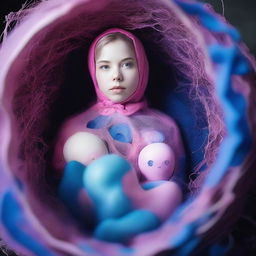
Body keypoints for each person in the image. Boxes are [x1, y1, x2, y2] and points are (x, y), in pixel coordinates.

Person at [54, 28, 185, 242]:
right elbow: (57, 177)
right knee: (79, 163)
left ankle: (127, 226)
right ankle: (93, 216)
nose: (117, 75)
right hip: (93, 201)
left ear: (142, 67)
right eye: (105, 67)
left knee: (171, 192)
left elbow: (177, 177)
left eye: (127, 64)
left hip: (144, 201)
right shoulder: (75, 126)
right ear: (93, 72)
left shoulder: (164, 126)